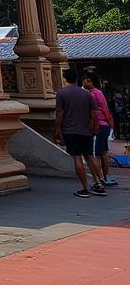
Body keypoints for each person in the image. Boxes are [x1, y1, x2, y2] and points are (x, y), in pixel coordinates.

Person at [55, 67, 106, 197]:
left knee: (77, 158)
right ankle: (100, 182)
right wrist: (94, 127)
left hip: (70, 130)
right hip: (86, 130)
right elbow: (93, 113)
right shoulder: (87, 93)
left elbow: (60, 113)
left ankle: (85, 188)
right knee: (90, 156)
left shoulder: (61, 93)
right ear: (77, 79)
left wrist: (57, 129)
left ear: (65, 79)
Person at [83, 73, 119, 187]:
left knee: (96, 154)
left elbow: (103, 109)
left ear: (92, 82)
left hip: (99, 125)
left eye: (87, 80)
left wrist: (108, 123)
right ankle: (104, 177)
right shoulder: (96, 93)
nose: (84, 82)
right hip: (103, 125)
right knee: (103, 152)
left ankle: (101, 178)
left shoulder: (94, 93)